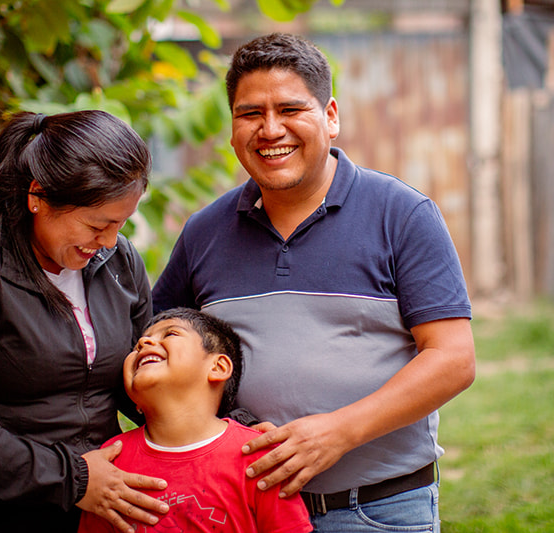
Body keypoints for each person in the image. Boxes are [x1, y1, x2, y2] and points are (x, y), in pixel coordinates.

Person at [152, 33, 476, 532]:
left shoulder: (402, 214)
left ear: (330, 116)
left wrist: (338, 433)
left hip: (378, 509)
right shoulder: (204, 232)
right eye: (250, 114)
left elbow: (453, 359)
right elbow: (155, 353)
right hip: (243, 510)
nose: (270, 129)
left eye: (289, 109)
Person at [0, 110, 172, 533]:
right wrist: (74, 478)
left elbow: (142, 378)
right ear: (38, 196)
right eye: (96, 225)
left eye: (120, 224)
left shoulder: (117, 259)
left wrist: (224, 428)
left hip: (81, 518)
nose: (107, 241)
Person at [77, 307, 313, 533]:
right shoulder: (111, 458)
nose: (143, 343)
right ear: (134, 401)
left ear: (218, 367)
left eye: (170, 333)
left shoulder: (259, 455)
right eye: (138, 344)